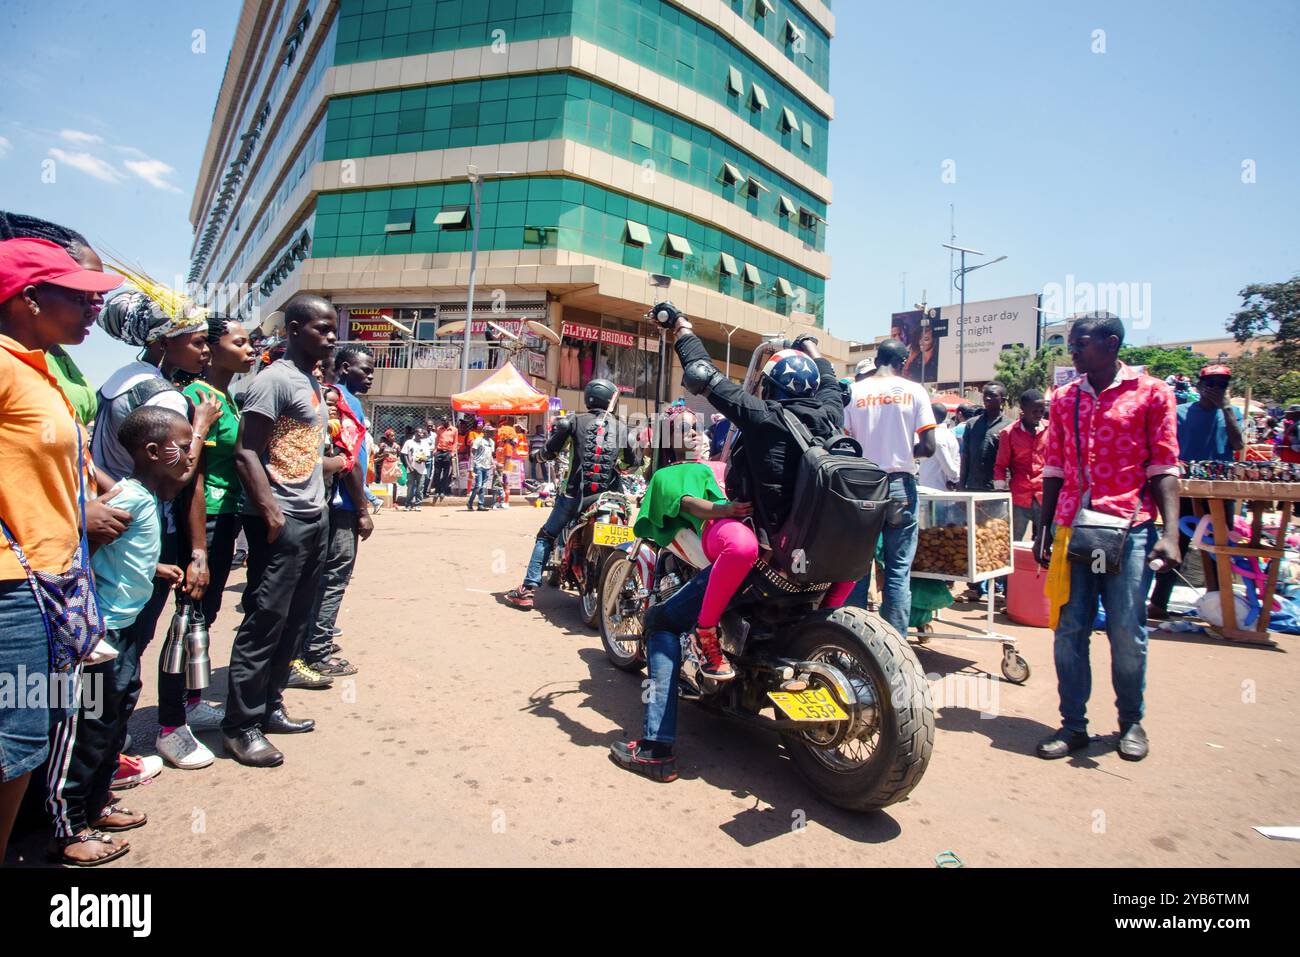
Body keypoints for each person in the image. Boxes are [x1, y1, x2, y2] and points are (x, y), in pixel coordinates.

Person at [610, 312, 849, 780]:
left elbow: (701, 374)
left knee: (660, 621)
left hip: (764, 561)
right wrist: (812, 348)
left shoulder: (762, 417)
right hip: (819, 565)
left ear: (771, 388)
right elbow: (830, 379)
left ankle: (656, 749)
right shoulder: (831, 411)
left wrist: (679, 328)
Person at [0, 237, 123, 864]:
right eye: (75, 298)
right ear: (27, 299)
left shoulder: (37, 367)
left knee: (30, 737)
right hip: (13, 588)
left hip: (49, 581)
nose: (89, 311)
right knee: (15, 742)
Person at [91, 270, 225, 775]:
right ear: (165, 341)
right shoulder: (165, 396)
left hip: (117, 526)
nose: (205, 350)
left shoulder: (117, 378)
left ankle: (101, 751)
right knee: (127, 647)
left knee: (109, 642)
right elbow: (180, 476)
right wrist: (201, 429)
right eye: (196, 342)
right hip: (148, 531)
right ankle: (105, 760)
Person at [46, 406, 193, 863]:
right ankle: (67, 825)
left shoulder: (148, 499)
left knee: (113, 719)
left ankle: (97, 803)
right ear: (153, 452)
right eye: (183, 447)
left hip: (124, 630)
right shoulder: (127, 498)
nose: (190, 455)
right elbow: (80, 548)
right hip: (98, 635)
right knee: (84, 728)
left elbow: (121, 554)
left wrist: (153, 567)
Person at [1034, 315, 1180, 763]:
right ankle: (1073, 726)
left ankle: (1130, 721)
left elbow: (1164, 468)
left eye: (1080, 344)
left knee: (1125, 630)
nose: (1072, 351)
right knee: (1069, 629)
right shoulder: (1063, 399)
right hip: (1072, 529)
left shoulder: (1153, 393)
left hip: (1130, 531)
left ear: (1111, 344)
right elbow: (1054, 468)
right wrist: (1044, 529)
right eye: (1072, 344)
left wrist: (1171, 534)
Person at [223, 294, 340, 768]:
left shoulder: (309, 382)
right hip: (283, 520)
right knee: (265, 620)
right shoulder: (272, 381)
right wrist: (271, 514)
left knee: (295, 619)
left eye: (333, 329)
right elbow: (246, 452)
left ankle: (271, 706)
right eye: (321, 328)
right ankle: (241, 726)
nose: (331, 337)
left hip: (315, 517)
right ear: (293, 329)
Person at [631, 415, 752, 680]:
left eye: (697, 427)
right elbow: (685, 502)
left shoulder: (717, 466)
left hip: (730, 532)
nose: (694, 433)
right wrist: (725, 509)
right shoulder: (666, 474)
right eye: (684, 428)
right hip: (719, 530)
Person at [504, 379, 641, 609]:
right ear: (610, 400)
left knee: (546, 536)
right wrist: (620, 467)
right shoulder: (623, 428)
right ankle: (625, 586)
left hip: (575, 498)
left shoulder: (572, 422)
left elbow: (549, 451)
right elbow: (632, 463)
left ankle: (527, 589)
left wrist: (536, 456)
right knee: (626, 538)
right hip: (610, 499)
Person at [842, 339, 937, 638]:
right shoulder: (914, 391)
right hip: (900, 487)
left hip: (862, 488)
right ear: (904, 360)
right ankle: (895, 646)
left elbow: (845, 445)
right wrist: (905, 452)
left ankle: (857, 643)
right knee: (897, 572)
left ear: (877, 358)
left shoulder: (854, 392)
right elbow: (930, 447)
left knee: (857, 571)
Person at [301, 346, 376, 679]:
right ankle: (316, 649)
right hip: (341, 505)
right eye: (366, 370)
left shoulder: (332, 396)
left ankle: (313, 640)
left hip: (333, 502)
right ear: (345, 368)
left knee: (323, 577)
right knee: (334, 578)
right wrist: (362, 508)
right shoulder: (343, 400)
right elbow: (347, 461)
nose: (371, 376)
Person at [1147, 364, 1244, 620]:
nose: (1215, 389)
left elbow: (1238, 444)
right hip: (1185, 490)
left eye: (1221, 384)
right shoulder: (1179, 413)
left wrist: (1225, 408)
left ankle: (1220, 606)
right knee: (1175, 544)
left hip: (1218, 492)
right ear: (1200, 386)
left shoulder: (1232, 413)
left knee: (1218, 549)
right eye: (1210, 383)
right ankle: (1158, 602)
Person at [181, 315, 257, 630]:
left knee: (206, 615)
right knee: (193, 617)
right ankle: (183, 679)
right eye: (239, 343)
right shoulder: (200, 397)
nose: (250, 350)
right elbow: (193, 476)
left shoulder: (226, 399)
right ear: (211, 349)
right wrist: (199, 549)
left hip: (226, 515)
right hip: (206, 520)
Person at [994, 388, 1048, 541]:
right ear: (1023, 409)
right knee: (1013, 542)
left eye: (1041, 411)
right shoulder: (1008, 433)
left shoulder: (1051, 430)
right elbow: (1000, 465)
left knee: (1045, 541)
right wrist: (999, 492)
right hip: (1019, 497)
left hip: (1044, 496)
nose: (1039, 414)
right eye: (1035, 411)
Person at [960, 382, 1008, 491]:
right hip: (973, 486)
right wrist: (961, 484)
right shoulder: (971, 424)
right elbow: (965, 456)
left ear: (1003, 400)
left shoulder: (1010, 426)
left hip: (997, 488)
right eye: (985, 395)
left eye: (992, 395)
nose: (987, 398)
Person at [918, 402, 960, 491]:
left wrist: (954, 478)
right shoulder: (950, 434)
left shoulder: (935, 437)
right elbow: (956, 460)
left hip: (934, 488)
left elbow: (948, 465)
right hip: (940, 488)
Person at [467, 424, 497, 511]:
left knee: (483, 486)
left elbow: (490, 455)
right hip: (478, 465)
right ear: (485, 432)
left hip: (487, 466)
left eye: (493, 431)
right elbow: (473, 453)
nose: (492, 433)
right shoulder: (478, 440)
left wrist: (493, 464)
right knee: (478, 485)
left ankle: (480, 504)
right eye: (490, 432)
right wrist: (472, 466)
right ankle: (470, 502)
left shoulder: (492, 442)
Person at [401, 426, 429, 510]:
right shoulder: (409, 442)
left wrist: (423, 459)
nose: (421, 434)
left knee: (420, 487)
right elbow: (405, 454)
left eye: (422, 433)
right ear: (415, 433)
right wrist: (409, 466)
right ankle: (408, 504)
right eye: (419, 433)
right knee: (410, 487)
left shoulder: (425, 443)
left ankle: (418, 504)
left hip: (421, 469)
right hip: (411, 468)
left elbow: (427, 455)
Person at [432, 417, 457, 502]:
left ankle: (442, 491)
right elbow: (437, 439)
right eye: (442, 421)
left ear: (448, 421)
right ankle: (437, 490)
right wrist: (435, 450)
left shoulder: (454, 430)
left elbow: (455, 442)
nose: (443, 423)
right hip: (439, 451)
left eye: (445, 421)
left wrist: (452, 453)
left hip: (448, 452)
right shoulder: (439, 429)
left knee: (446, 473)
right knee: (437, 472)